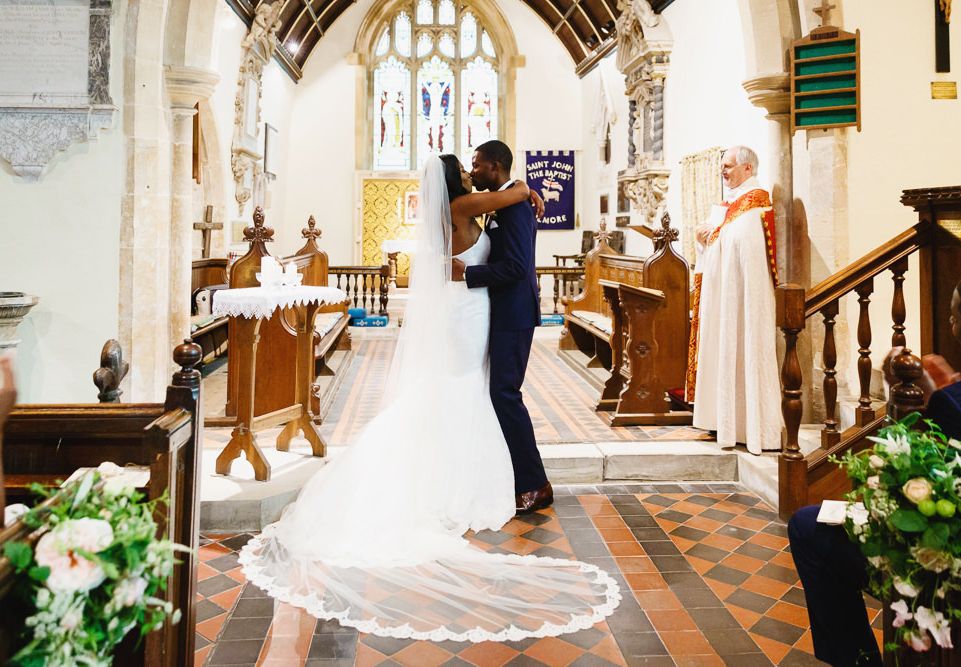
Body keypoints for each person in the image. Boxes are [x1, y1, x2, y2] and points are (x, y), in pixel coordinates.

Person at [240, 154, 620, 642]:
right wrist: (526, 188)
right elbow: (513, 196)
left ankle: (465, 472)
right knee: (466, 387)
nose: (469, 171)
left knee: (465, 389)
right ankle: (474, 479)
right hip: (469, 312)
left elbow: (502, 222)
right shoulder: (464, 204)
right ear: (453, 180)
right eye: (464, 167)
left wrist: (520, 197)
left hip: (470, 309)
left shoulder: (462, 207)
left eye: (475, 165)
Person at [790, 279, 961, 666]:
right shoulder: (951, 396)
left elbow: (910, 482)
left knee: (807, 527)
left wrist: (922, 404)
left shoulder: (950, 403)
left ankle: (858, 659)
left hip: (943, 560)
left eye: (952, 316)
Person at [451, 140, 553, 514]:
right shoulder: (507, 201)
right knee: (500, 394)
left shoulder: (516, 208)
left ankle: (535, 484)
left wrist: (469, 273)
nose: (473, 171)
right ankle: (514, 477)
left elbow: (517, 267)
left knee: (505, 394)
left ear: (495, 166)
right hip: (503, 311)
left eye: (477, 165)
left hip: (515, 313)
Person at [687, 145, 782, 454]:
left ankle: (749, 425)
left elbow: (744, 246)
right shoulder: (731, 206)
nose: (722, 171)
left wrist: (713, 233)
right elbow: (720, 239)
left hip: (742, 300)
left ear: (747, 169)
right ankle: (724, 419)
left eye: (728, 166)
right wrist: (706, 238)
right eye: (722, 166)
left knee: (745, 349)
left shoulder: (755, 203)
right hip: (723, 297)